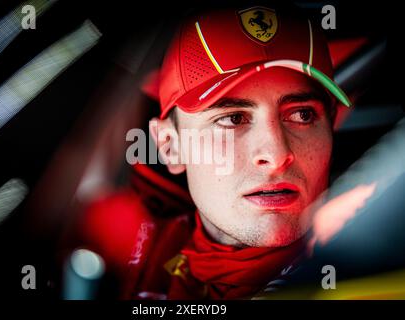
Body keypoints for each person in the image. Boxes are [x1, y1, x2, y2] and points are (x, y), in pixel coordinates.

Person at [80, 2, 351, 300]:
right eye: (233, 119)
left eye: (302, 115)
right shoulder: (130, 243)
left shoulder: (369, 260)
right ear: (170, 146)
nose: (275, 156)